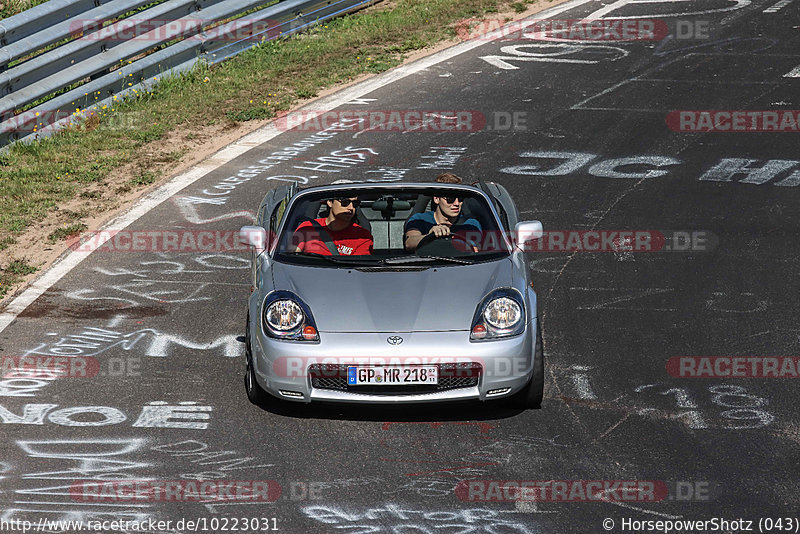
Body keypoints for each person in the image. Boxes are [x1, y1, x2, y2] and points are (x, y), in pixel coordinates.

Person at [404, 173, 482, 252]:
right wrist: (430, 236)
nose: (456, 203)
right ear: (436, 199)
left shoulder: (471, 225)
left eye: (460, 199)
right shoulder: (420, 219)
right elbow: (410, 243)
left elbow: (477, 250)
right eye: (450, 198)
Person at [294, 196, 373, 255]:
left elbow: (358, 269)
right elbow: (291, 256)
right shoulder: (308, 227)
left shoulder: (363, 236)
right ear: (330, 202)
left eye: (355, 204)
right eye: (345, 202)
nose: (351, 208)